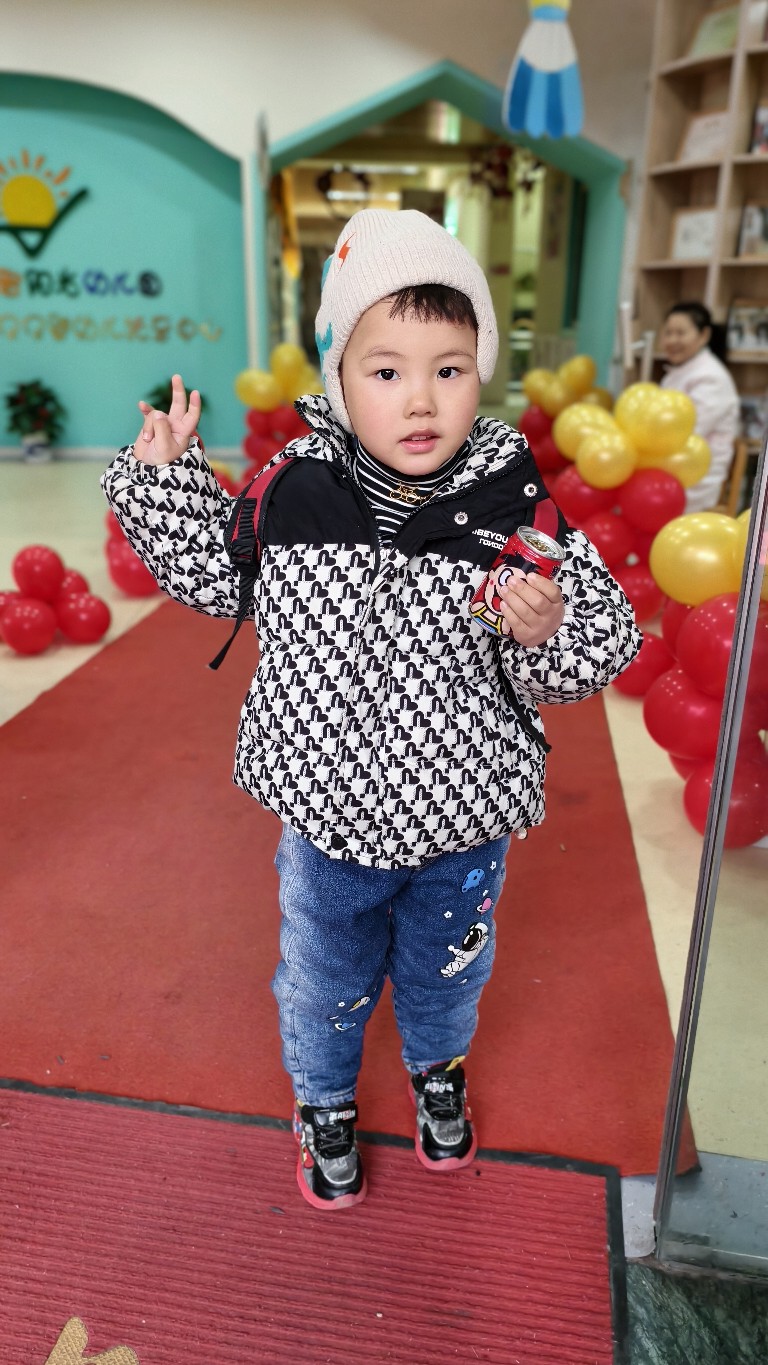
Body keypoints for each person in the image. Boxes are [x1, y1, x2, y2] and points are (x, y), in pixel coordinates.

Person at [102, 209, 641, 1211]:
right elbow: (212, 573)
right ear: (340, 379)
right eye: (386, 370)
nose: (421, 398)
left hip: (464, 816)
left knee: (448, 973)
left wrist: (549, 629)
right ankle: (324, 1101)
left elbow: (601, 642)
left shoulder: (519, 511)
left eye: (450, 368)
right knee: (324, 980)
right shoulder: (294, 492)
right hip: (327, 814)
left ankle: (438, 1071)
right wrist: (164, 478)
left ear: (482, 374)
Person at [660, 301, 740, 514]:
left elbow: (687, 434)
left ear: (704, 335)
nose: (672, 340)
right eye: (668, 333)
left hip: (696, 479)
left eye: (680, 333)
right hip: (670, 468)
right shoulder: (675, 373)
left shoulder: (711, 378)